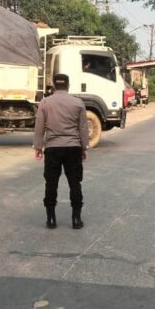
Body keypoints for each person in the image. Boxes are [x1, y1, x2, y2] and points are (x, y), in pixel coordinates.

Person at [33, 73, 89, 229]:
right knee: (75, 183)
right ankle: (76, 219)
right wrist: (84, 147)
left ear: (54, 85)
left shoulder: (45, 102)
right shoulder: (78, 103)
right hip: (73, 148)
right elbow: (83, 128)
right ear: (68, 85)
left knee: (51, 183)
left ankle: (51, 219)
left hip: (52, 148)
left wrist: (38, 147)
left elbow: (39, 127)